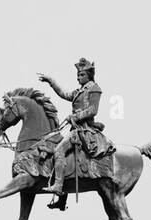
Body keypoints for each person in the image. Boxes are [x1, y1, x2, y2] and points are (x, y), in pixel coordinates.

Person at [38, 58, 115, 209]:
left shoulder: (94, 89)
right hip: (75, 128)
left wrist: (75, 116)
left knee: (59, 150)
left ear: (88, 75)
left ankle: (58, 186)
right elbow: (64, 94)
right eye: (78, 75)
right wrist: (51, 81)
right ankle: (62, 199)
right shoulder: (80, 91)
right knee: (59, 148)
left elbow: (93, 110)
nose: (78, 77)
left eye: (81, 75)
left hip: (84, 130)